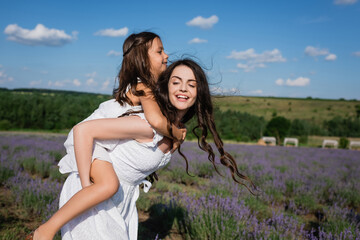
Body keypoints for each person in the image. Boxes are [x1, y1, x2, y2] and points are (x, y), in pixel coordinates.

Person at [29, 59, 255, 240]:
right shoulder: (147, 125)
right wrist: (85, 191)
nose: (183, 88)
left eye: (192, 84)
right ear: (166, 87)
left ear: (199, 92)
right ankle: (42, 233)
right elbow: (83, 131)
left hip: (122, 201)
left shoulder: (177, 130)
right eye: (176, 82)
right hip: (96, 196)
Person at [26, 31, 185, 240]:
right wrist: (178, 133)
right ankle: (44, 231)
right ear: (143, 60)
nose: (166, 55)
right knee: (108, 185)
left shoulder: (149, 88)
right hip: (91, 142)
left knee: (106, 186)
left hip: (97, 140)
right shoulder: (143, 86)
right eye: (159, 51)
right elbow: (155, 121)